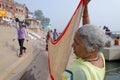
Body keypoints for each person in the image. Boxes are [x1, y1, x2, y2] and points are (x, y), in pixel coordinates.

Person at [62, 0, 108, 80]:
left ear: (93, 48)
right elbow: (88, 30)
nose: (72, 45)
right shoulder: (100, 56)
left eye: (76, 43)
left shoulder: (77, 70)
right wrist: (85, 7)